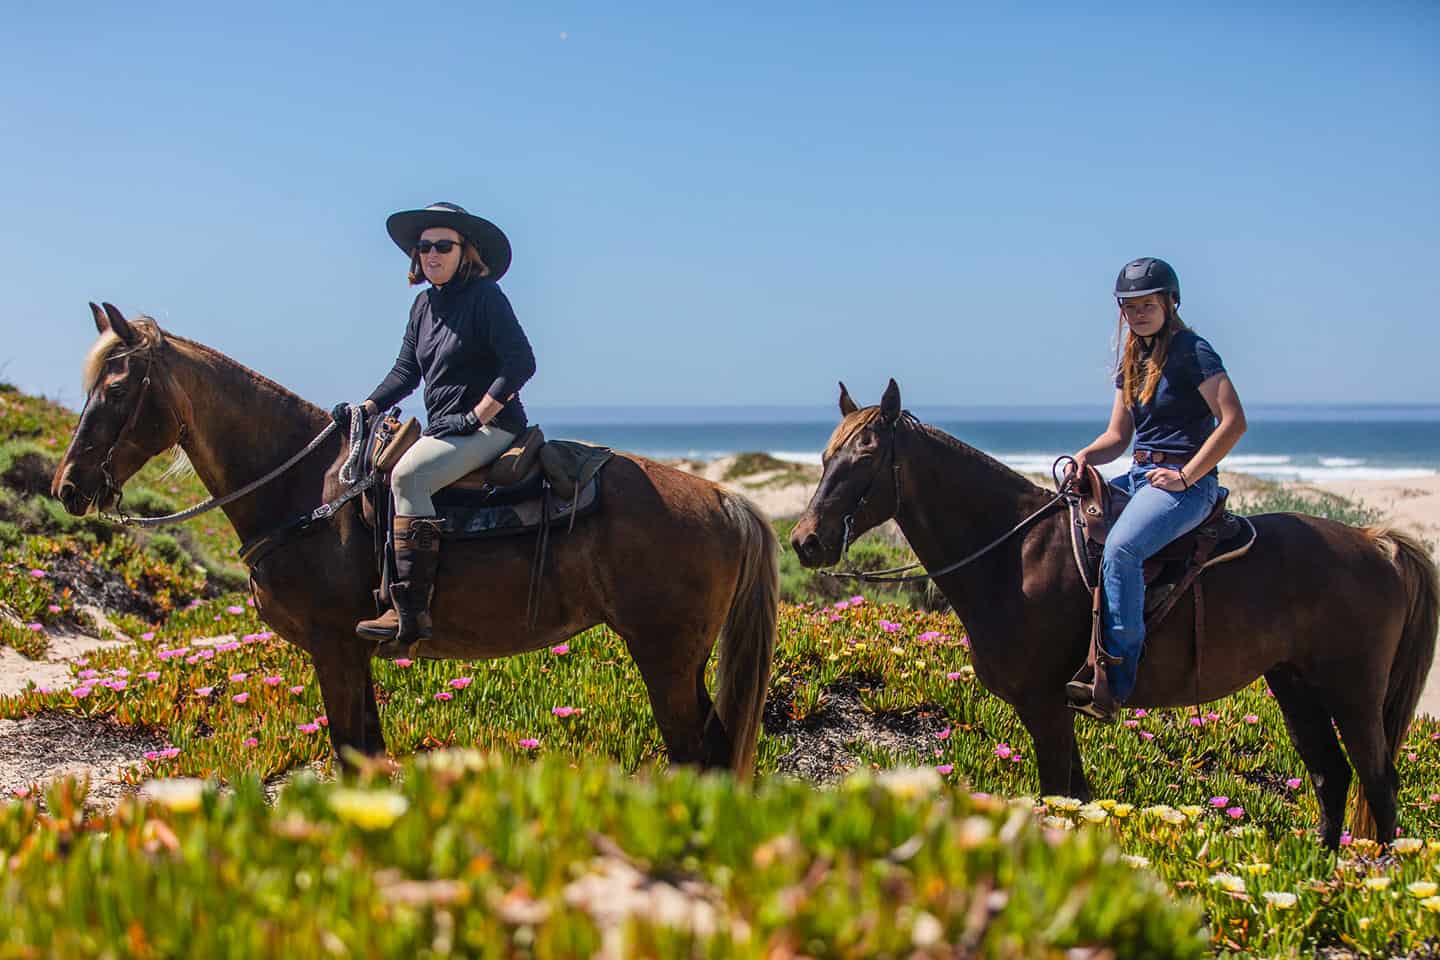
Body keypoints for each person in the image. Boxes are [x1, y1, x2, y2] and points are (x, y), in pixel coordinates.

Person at [338, 202, 536, 656]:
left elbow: (521, 362)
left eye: (442, 246)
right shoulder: (422, 305)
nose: (431, 254)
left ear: (465, 252)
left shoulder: (485, 297)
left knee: (409, 476)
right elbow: (406, 372)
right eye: (424, 246)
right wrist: (365, 407)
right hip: (445, 428)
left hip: (493, 428)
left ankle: (410, 611)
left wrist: (476, 416)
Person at [1066, 257, 1247, 719]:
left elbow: (1233, 421)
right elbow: (1118, 437)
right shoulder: (1132, 358)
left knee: (1122, 550)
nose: (1139, 313)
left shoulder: (1193, 351)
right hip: (1140, 473)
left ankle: (1119, 680)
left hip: (1187, 484)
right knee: (1068, 527)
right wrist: (1086, 456)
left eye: (1148, 304)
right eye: (1130, 306)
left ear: (1170, 302)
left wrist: (1187, 475)